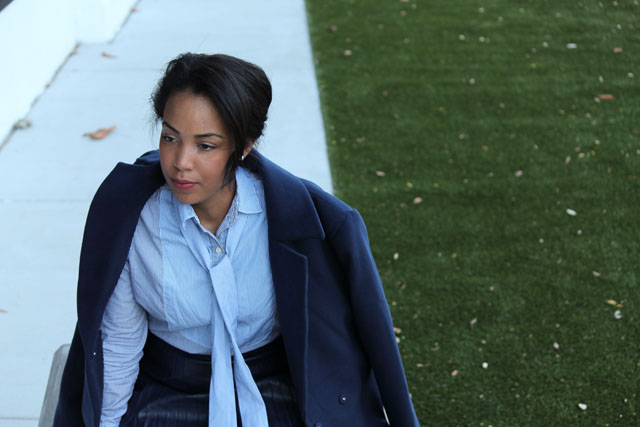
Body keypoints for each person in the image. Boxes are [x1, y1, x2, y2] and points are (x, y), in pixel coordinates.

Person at [53, 53, 419, 427]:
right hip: (167, 387)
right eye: (170, 137)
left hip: (275, 384)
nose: (181, 161)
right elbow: (119, 344)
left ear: (245, 145)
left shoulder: (313, 221)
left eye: (206, 145)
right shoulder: (130, 219)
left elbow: (361, 345)